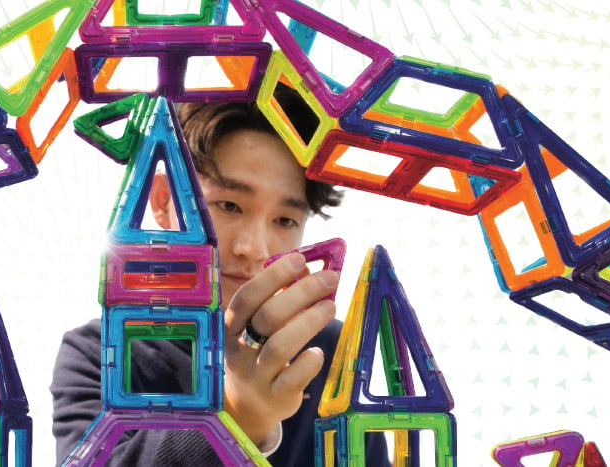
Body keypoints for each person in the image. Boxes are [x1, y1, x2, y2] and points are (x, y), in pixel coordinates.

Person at [50, 86, 390, 466]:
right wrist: (237, 415)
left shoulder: (332, 350)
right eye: (229, 205)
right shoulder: (98, 353)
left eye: (285, 220)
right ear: (163, 200)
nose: (254, 248)